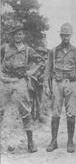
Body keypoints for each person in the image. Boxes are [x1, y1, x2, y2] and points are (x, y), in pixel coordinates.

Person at [0, 24, 45, 153]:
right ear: (12, 36)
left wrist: (32, 71)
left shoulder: (28, 50)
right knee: (0, 110)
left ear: (23, 35)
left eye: (20, 34)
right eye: (15, 34)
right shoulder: (5, 48)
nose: (17, 37)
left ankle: (30, 142)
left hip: (20, 81)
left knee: (25, 111)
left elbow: (41, 61)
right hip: (5, 81)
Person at [44, 22, 76, 153]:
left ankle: (70, 141)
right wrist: (47, 86)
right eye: (63, 35)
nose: (65, 37)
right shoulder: (54, 51)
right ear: (60, 36)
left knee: (71, 113)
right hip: (57, 82)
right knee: (55, 113)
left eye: (68, 35)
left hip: (72, 83)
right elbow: (48, 69)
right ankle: (54, 141)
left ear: (71, 36)